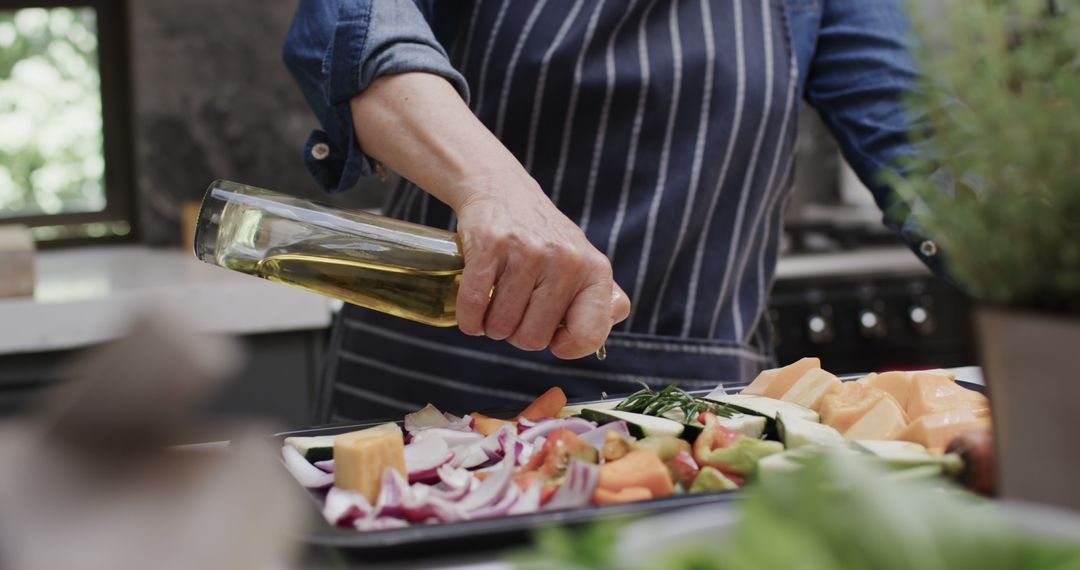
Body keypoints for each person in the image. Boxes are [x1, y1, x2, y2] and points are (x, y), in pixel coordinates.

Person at [282, 0, 943, 421]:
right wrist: (497, 190)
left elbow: (929, 149)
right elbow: (353, 20)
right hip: (426, 397)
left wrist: (1035, 256)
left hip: (692, 418)